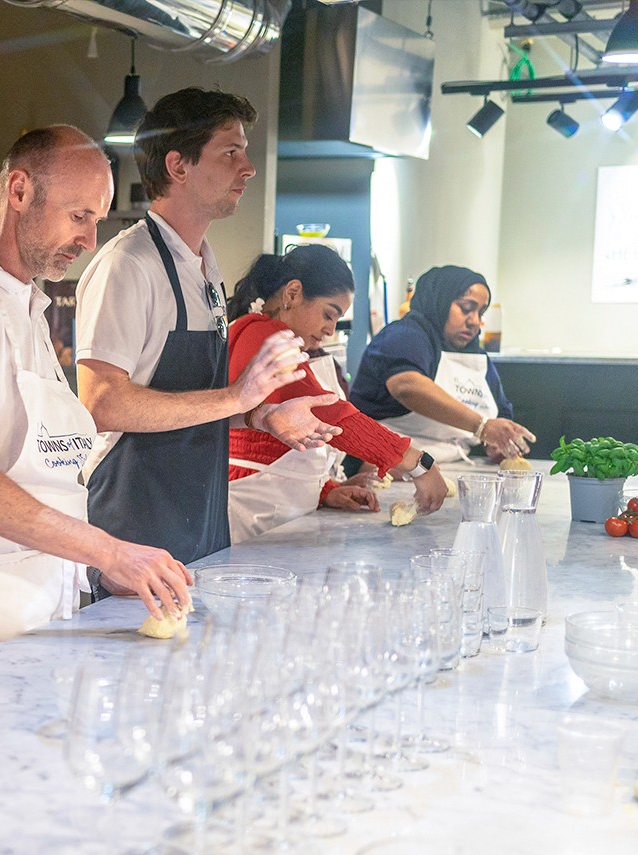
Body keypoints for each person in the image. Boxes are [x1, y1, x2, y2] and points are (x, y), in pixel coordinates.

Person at [0, 126, 193, 667]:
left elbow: (41, 475)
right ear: (20, 191)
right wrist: (111, 552)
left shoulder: (24, 303)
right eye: (79, 216)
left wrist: (98, 567)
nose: (89, 240)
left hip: (45, 587)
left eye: (96, 221)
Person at [75, 88, 341, 583]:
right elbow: (101, 402)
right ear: (178, 165)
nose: (249, 168)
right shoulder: (128, 265)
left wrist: (261, 415)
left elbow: (189, 402)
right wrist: (237, 395)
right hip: (134, 522)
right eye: (230, 152)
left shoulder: (204, 266)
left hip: (201, 517)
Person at [225, 245, 448, 543]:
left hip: (277, 509)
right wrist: (417, 464)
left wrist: (325, 490)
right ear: (293, 293)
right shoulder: (261, 334)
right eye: (329, 314)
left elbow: (279, 444)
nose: (330, 330)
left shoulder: (274, 336)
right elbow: (326, 415)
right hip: (253, 510)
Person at [348, 265, 535, 465]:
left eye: (481, 312)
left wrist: (496, 443)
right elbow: (407, 387)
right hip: (389, 465)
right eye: (466, 308)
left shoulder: (476, 356)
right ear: (439, 301)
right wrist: (482, 427)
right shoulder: (404, 336)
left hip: (453, 464)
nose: (474, 321)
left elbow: (500, 411)